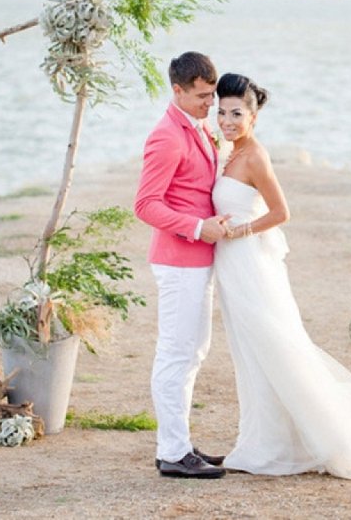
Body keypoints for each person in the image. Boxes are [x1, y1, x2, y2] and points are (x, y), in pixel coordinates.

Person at [211, 72, 351, 480]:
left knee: (275, 349)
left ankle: (306, 443)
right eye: (221, 112)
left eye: (235, 113)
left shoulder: (254, 156)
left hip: (251, 265)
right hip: (233, 267)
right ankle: (262, 442)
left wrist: (239, 231)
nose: (226, 120)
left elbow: (281, 213)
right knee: (250, 356)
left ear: (253, 116)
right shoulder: (230, 151)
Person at [135, 51, 231, 479]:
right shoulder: (166, 136)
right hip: (178, 262)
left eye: (211, 96)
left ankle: (179, 443)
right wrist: (196, 227)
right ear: (177, 90)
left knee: (193, 352)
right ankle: (172, 453)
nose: (208, 105)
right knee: (176, 355)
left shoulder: (197, 127)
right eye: (201, 97)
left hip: (197, 260)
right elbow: (145, 205)